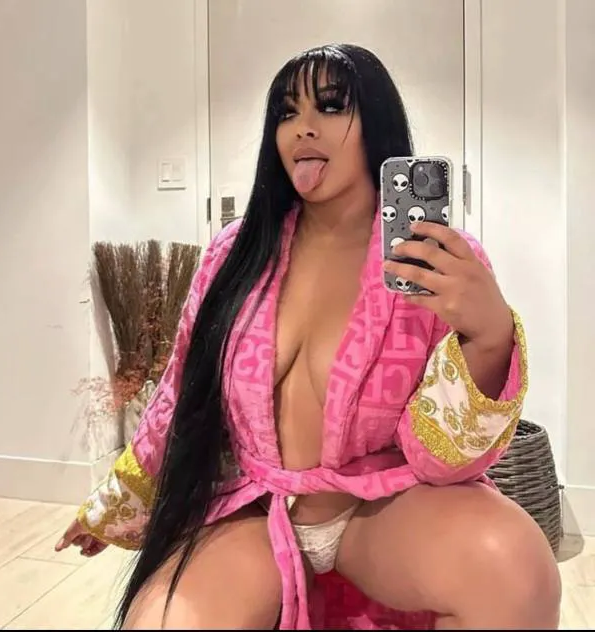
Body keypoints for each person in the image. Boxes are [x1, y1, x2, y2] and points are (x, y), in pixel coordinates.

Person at [56, 43, 560, 630]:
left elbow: (439, 461)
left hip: (378, 512)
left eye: (331, 106)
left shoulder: (435, 261)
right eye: (286, 112)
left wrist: (489, 339)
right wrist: (112, 504)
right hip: (254, 506)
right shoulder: (233, 254)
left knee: (515, 570)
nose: (303, 127)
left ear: (377, 121)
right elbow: (179, 397)